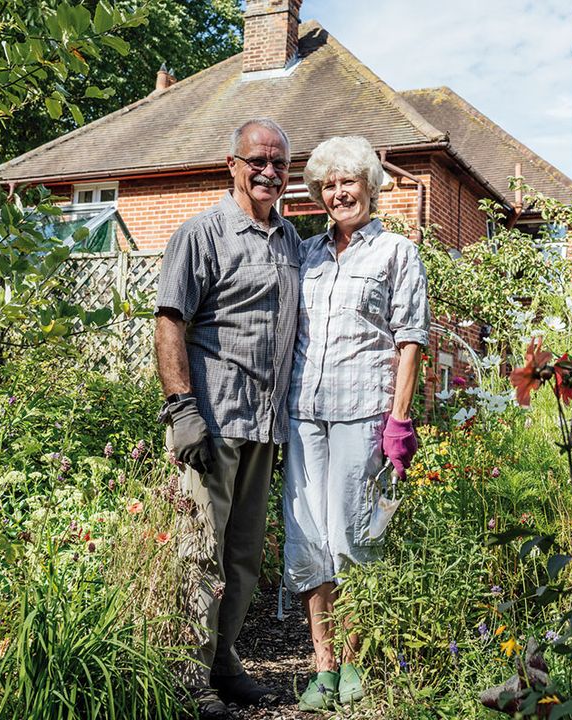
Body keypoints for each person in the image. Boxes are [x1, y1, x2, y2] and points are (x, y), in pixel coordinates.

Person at [154, 118, 300, 720]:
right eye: (257, 160)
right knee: (201, 552)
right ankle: (190, 677)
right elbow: (169, 322)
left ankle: (224, 660)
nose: (269, 171)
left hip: (265, 424)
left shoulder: (292, 240)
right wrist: (181, 408)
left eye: (280, 163)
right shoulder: (202, 233)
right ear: (232, 165)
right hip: (212, 419)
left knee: (242, 555)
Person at [282, 136, 429, 711]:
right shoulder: (308, 253)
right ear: (319, 194)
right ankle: (322, 664)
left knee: (351, 537)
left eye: (350, 182)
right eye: (329, 185)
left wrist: (399, 418)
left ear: (370, 186)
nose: (340, 193)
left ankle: (355, 662)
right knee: (309, 540)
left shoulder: (395, 253)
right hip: (302, 412)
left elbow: (410, 338)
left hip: (362, 411)